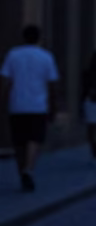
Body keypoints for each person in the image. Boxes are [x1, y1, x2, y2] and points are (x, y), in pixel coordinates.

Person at [0, 25, 59, 191]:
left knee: (19, 141)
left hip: (17, 104)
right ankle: (29, 169)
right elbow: (52, 84)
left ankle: (22, 172)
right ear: (39, 38)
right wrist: (53, 106)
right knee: (35, 139)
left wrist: (3, 101)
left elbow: (5, 80)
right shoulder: (46, 57)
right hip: (38, 105)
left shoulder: (13, 55)